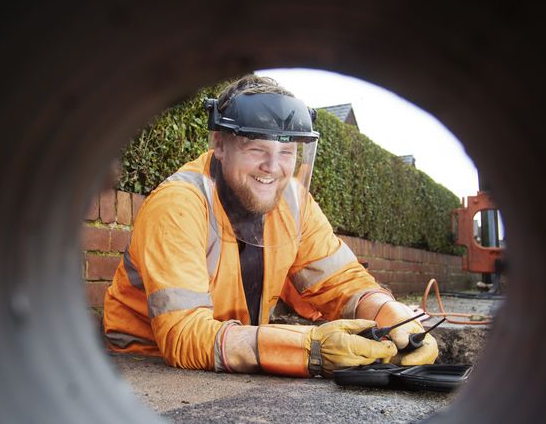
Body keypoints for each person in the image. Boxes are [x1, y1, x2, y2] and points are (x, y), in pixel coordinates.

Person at [102, 74, 438, 377]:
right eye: (256, 148)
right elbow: (184, 336)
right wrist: (310, 349)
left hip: (230, 359)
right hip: (145, 367)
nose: (273, 168)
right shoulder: (179, 205)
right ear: (220, 144)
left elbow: (344, 283)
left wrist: (391, 315)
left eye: (287, 151)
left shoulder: (293, 202)